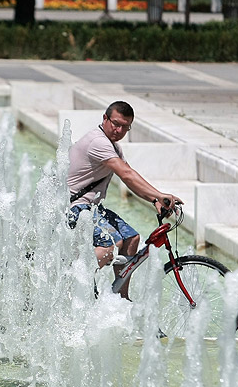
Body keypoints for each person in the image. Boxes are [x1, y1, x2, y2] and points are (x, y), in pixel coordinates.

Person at [67, 101, 182, 296]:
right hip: (73, 207)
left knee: (131, 238)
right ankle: (69, 282)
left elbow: (129, 180)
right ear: (105, 119)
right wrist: (159, 195)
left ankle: (121, 297)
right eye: (115, 124)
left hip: (91, 208)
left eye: (125, 127)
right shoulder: (98, 142)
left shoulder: (113, 147)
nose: (119, 130)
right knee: (111, 245)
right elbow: (126, 174)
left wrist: (154, 201)